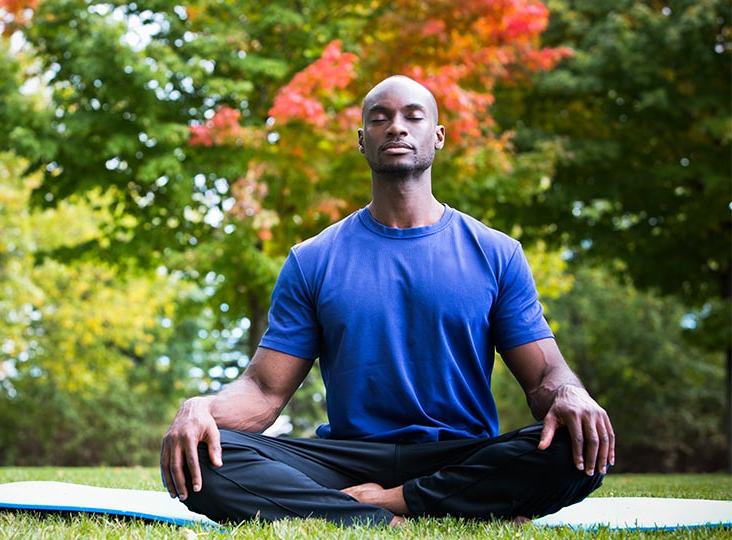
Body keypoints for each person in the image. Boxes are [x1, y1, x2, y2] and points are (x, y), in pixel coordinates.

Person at [160, 75, 614, 527]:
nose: (396, 127)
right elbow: (263, 392)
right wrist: (203, 408)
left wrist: (571, 394)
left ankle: (387, 504)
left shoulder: (496, 253)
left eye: (413, 117)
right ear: (362, 140)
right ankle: (416, 509)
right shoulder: (313, 259)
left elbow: (543, 379)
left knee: (576, 443)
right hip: (346, 458)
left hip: (459, 453)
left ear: (437, 136)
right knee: (200, 454)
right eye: (380, 119)